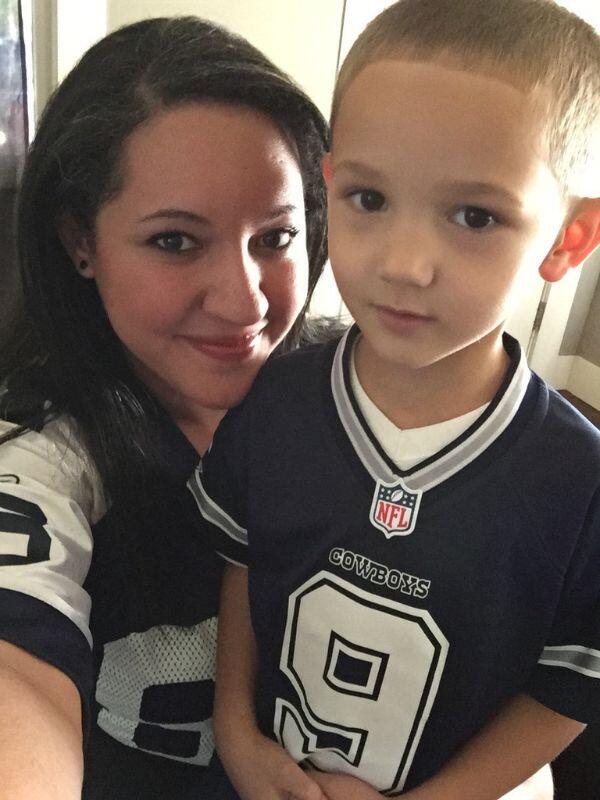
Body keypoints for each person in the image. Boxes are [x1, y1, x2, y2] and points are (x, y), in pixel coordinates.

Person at [192, 0, 600, 798]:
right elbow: (244, 561)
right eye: (370, 201)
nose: (405, 265)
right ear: (330, 185)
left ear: (567, 239)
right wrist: (238, 730)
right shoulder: (276, 398)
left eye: (474, 216)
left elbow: (571, 680)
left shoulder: (577, 481)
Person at [0, 15, 328, 800]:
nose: (245, 302)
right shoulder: (46, 454)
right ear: (82, 241)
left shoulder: (356, 393)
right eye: (177, 242)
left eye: (276, 238)